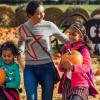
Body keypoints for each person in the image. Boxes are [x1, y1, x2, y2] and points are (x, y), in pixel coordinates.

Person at [17, 0, 69, 100]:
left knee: (47, 98)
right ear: (30, 15)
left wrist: (79, 40)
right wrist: (19, 53)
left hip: (47, 68)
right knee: (31, 98)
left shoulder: (49, 25)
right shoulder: (23, 28)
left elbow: (65, 40)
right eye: (39, 13)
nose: (42, 15)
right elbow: (21, 43)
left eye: (43, 12)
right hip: (30, 69)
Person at [58, 22, 98, 100]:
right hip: (67, 83)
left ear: (81, 37)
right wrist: (63, 66)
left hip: (80, 83)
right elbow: (60, 67)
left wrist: (73, 67)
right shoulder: (66, 49)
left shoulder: (83, 50)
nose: (71, 36)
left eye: (74, 34)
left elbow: (87, 67)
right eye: (70, 33)